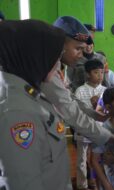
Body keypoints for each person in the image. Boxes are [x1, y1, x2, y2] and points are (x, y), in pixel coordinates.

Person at [40, 16, 114, 154]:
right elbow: (69, 109)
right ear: (60, 43)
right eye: (78, 49)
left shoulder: (54, 62)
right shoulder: (45, 66)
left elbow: (68, 98)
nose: (80, 55)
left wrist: (96, 115)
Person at [0, 19, 68, 190]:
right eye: (55, 57)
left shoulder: (27, 94)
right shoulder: (17, 112)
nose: (59, 65)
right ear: (34, 55)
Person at [74, 59, 106, 190]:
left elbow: (109, 111)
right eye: (96, 72)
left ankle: (96, 180)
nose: (99, 75)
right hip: (84, 130)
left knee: (98, 158)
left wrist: (100, 106)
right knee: (82, 160)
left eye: (101, 72)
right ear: (88, 74)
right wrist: (92, 106)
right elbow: (76, 112)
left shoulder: (106, 90)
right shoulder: (80, 91)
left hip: (100, 130)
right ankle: (82, 184)